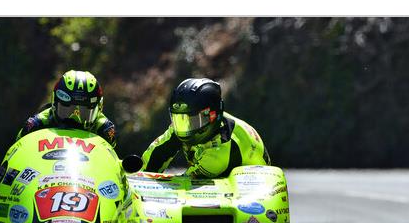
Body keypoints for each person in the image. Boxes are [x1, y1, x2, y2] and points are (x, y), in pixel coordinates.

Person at [141, 78, 270, 178]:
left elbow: (186, 184)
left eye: (193, 121)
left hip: (251, 189)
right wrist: (138, 177)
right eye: (179, 119)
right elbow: (155, 156)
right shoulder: (182, 128)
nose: (184, 129)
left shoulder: (221, 150)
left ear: (212, 116)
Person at [16, 69, 117, 148]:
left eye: (83, 112)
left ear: (99, 108)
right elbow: (15, 151)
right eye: (67, 109)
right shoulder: (36, 124)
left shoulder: (105, 129)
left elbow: (112, 161)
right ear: (54, 103)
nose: (75, 118)